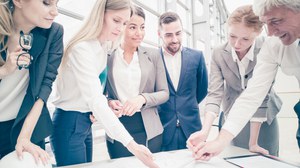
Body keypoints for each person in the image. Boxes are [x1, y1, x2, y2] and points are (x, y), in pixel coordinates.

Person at [50, 0, 159, 167]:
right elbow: (94, 99)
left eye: (124, 23)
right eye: (116, 21)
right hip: (69, 122)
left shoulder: (103, 45)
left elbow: (95, 94)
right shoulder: (82, 48)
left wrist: (108, 103)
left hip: (85, 122)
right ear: (100, 15)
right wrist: (133, 146)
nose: (120, 28)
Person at [188, 0, 300, 161]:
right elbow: (251, 95)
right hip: (234, 115)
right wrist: (216, 139)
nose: (237, 44)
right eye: (232, 36)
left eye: (276, 21)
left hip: (265, 115)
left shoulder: (265, 45)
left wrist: (253, 141)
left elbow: (263, 96)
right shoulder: (273, 45)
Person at [0, 0, 63, 165]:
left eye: (57, 4)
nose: (55, 11)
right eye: (46, 3)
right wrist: (4, 70)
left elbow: (44, 88)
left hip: (27, 126)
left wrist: (25, 137)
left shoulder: (53, 33)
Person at [105, 5, 169, 159]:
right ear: (122, 26)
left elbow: (164, 93)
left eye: (142, 27)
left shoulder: (153, 55)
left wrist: (142, 98)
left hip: (149, 129)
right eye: (133, 27)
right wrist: (109, 102)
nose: (139, 33)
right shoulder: (107, 56)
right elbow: (99, 94)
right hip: (117, 129)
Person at [157, 11, 208, 151]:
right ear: (159, 34)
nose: (174, 39)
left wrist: (186, 103)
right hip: (163, 129)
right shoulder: (152, 58)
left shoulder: (197, 57)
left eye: (178, 33)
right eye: (168, 35)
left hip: (192, 129)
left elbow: (202, 89)